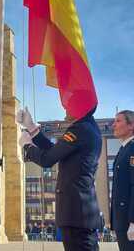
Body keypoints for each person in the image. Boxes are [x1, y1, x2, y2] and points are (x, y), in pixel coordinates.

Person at [17, 106, 102, 251]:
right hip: (80, 212)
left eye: (69, 105)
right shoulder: (88, 128)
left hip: (75, 213)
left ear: (79, 107)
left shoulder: (80, 129)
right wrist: (31, 128)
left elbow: (47, 159)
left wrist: (27, 147)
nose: (65, 109)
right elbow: (54, 151)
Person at [110, 110, 134, 251]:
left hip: (130, 220)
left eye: (118, 121)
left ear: (131, 125)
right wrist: (114, 222)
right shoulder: (124, 150)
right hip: (122, 220)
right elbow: (117, 189)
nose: (113, 125)